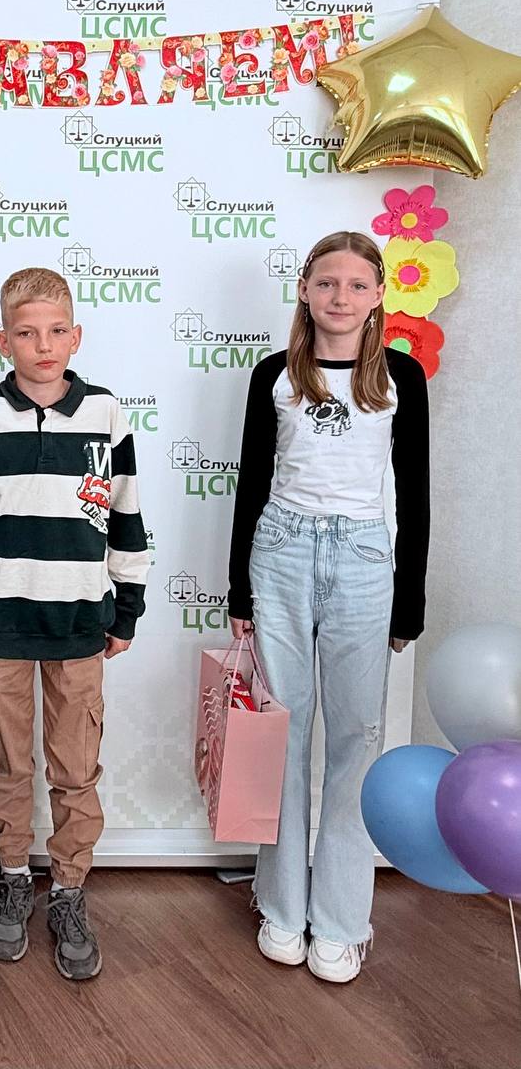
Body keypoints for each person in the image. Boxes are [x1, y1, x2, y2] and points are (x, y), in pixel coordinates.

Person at [0, 267, 150, 981]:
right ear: (4, 341)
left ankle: (70, 890)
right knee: (8, 763)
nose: (43, 345)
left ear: (76, 336)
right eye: (26, 333)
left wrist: (128, 605)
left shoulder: (107, 414)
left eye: (56, 331)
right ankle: (14, 879)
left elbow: (126, 514)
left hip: (80, 621)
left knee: (75, 767)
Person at [227, 230, 429, 984]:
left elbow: (416, 490)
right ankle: (282, 905)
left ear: (378, 296)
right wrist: (239, 590)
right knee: (283, 732)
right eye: (326, 283)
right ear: (305, 290)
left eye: (356, 285)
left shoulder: (401, 377)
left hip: (365, 561)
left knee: (355, 738)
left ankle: (342, 920)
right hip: (281, 550)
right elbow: (251, 482)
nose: (340, 297)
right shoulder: (275, 375)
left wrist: (408, 601)